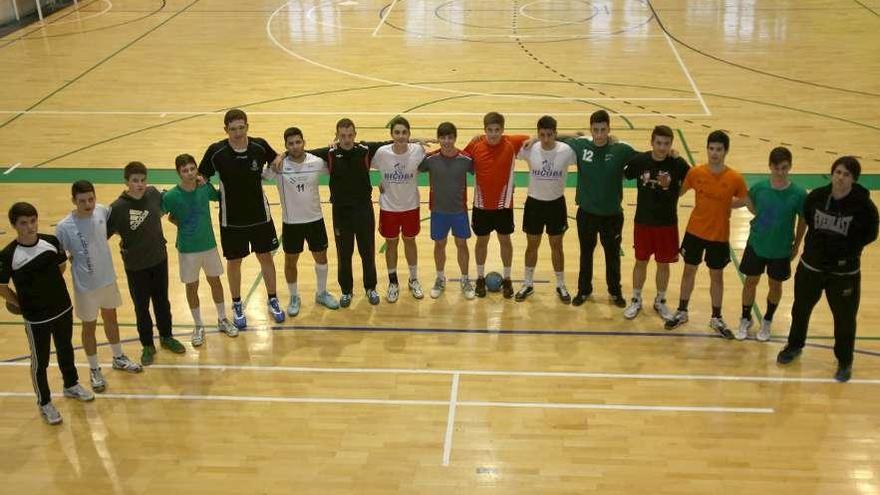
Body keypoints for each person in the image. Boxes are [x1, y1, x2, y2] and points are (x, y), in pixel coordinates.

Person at [777, 156, 878, 382]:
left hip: (844, 274)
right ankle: (794, 345)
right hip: (811, 267)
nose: (841, 178)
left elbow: (870, 234)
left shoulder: (864, 207)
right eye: (838, 173)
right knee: (800, 309)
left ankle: (844, 360)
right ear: (832, 174)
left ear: (854, 179)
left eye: (846, 175)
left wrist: (848, 249)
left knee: (844, 318)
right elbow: (810, 222)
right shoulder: (817, 197)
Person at [0, 202, 94, 425]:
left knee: (65, 349)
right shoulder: (8, 255)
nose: (30, 227)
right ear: (14, 225)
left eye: (32, 221)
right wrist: (20, 304)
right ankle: (44, 402)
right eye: (23, 223)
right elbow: (2, 287)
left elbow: (60, 267)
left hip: (62, 308)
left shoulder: (51, 243)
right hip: (36, 318)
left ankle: (71, 385)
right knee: (39, 361)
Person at [199, 108, 285, 328]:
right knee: (234, 262)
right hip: (232, 219)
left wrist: (277, 161)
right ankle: (236, 303)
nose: (238, 133)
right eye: (233, 129)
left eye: (241, 127)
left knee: (265, 257)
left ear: (248, 126)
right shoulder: (216, 152)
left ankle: (273, 299)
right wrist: (213, 195)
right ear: (226, 130)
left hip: (260, 216)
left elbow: (275, 156)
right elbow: (201, 176)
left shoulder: (258, 146)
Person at [56, 180, 143, 393]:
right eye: (82, 201)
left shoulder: (103, 211)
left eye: (91, 199)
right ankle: (94, 369)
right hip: (85, 287)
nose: (88, 204)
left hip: (107, 280)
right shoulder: (64, 227)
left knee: (111, 318)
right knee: (89, 327)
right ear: (73, 201)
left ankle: (118, 356)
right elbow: (59, 260)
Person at [664, 131, 749, 338]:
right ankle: (682, 311)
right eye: (711, 149)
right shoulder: (696, 173)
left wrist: (728, 203)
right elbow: (678, 191)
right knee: (688, 271)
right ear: (707, 149)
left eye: (719, 149)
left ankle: (716, 317)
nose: (714, 153)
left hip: (719, 235)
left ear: (725, 151)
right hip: (695, 231)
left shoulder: (735, 178)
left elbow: (746, 201)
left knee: (716, 276)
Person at [108, 162, 185, 365]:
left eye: (142, 180)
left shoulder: (153, 194)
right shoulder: (117, 208)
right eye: (135, 181)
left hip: (159, 258)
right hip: (135, 265)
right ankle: (147, 345)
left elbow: (172, 202)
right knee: (141, 306)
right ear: (126, 182)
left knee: (162, 301)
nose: (140, 185)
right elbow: (105, 233)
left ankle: (167, 337)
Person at [309, 118, 390, 307]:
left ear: (355, 134)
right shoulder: (329, 153)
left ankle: (370, 288)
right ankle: (346, 291)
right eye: (342, 135)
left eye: (350, 135)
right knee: (344, 254)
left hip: (363, 210)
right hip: (341, 213)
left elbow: (392, 143)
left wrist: (414, 139)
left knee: (367, 252)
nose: (346, 139)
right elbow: (303, 153)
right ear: (337, 135)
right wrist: (281, 155)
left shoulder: (364, 150)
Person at [162, 154, 238, 346]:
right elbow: (163, 213)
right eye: (185, 170)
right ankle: (198, 325)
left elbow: (218, 198)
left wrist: (207, 184)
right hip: (187, 250)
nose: (189, 173)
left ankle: (222, 319)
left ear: (197, 169)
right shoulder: (171, 196)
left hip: (209, 246)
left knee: (216, 282)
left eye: (192, 169)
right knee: (191, 287)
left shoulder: (204, 188)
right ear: (178, 173)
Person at [562, 110, 637, 307]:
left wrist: (671, 153)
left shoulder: (621, 149)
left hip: (612, 215)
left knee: (612, 255)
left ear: (609, 129)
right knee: (586, 253)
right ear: (591, 129)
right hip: (586, 213)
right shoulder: (581, 145)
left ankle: (615, 292)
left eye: (603, 130)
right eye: (595, 130)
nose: (599, 134)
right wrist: (536, 138)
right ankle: (584, 290)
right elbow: (556, 138)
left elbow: (646, 159)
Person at [262, 128, 339, 314]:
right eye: (291, 144)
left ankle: (321, 293)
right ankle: (294, 296)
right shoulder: (279, 166)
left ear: (304, 142)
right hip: (291, 223)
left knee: (321, 258)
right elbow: (259, 177)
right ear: (286, 146)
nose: (295, 146)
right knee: (290, 262)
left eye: (298, 142)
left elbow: (337, 166)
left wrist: (333, 147)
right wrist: (276, 159)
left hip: (315, 220)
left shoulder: (317, 162)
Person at [736, 147, 806, 341]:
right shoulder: (759, 188)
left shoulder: (798, 194)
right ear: (770, 166)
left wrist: (796, 244)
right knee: (750, 282)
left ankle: (767, 320)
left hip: (781, 248)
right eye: (776, 168)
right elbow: (747, 201)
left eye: (784, 168)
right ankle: (745, 317)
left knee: (775, 286)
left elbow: (803, 220)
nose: (780, 172)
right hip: (756, 244)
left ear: (790, 167)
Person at [621, 125, 691, 321]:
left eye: (666, 144)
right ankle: (635, 299)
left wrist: (679, 192)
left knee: (663, 264)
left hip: (667, 224)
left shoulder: (677, 163)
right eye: (659, 143)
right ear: (651, 142)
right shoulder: (641, 161)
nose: (662, 147)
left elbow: (692, 178)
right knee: (640, 261)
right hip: (643, 222)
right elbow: (624, 173)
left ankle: (660, 301)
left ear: (671, 144)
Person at [463, 112, 529, 298]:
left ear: (503, 130)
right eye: (490, 130)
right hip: (481, 207)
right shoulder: (475, 144)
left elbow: (541, 137)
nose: (493, 134)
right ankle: (480, 278)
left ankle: (507, 279)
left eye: (497, 130)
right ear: (484, 130)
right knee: (481, 242)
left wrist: (573, 136)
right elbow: (457, 158)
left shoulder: (511, 143)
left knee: (505, 241)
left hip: (504, 207)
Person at [514, 115, 576, 303]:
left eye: (550, 135)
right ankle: (527, 283)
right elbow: (506, 142)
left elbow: (583, 137)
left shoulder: (566, 151)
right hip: (534, 204)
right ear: (538, 134)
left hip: (556, 204)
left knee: (557, 246)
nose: (546, 139)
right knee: (532, 245)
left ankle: (560, 284)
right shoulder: (529, 148)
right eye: (542, 135)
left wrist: (564, 136)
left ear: (555, 134)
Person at [371, 116, 427, 302]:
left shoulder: (418, 151)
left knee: (410, 241)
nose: (401, 136)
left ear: (409, 134)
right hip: (389, 207)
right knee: (392, 244)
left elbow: (431, 163)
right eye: (397, 132)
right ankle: (393, 282)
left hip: (411, 206)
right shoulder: (381, 153)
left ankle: (413, 279)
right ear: (391, 134)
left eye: (404, 133)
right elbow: (361, 161)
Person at [418, 121, 476, 299]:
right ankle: (440, 278)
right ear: (438, 139)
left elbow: (480, 171)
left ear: (455, 138)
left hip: (459, 211)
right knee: (440, 245)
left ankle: (465, 279)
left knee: (461, 245)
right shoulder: (430, 159)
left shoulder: (466, 160)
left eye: (450, 137)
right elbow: (412, 167)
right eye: (443, 138)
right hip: (438, 211)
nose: (446, 141)